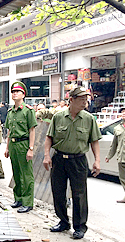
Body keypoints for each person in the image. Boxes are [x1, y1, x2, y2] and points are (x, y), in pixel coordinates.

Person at [43, 86, 102, 240]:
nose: (85, 103)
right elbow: (49, 137)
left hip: (78, 161)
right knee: (58, 192)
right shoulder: (58, 116)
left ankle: (80, 227)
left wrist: (97, 161)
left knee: (79, 195)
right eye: (81, 99)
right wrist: (46, 156)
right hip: (59, 159)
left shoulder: (89, 119)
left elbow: (94, 141)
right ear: (71, 100)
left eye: (86, 100)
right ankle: (63, 221)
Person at [4, 81, 37, 213]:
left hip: (24, 144)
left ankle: (28, 202)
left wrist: (31, 148)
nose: (14, 94)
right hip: (13, 144)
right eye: (13, 92)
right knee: (16, 173)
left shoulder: (28, 111)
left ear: (23, 94)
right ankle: (18, 199)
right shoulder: (10, 112)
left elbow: (32, 130)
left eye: (17, 91)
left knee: (26, 175)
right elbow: (9, 131)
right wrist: (7, 147)